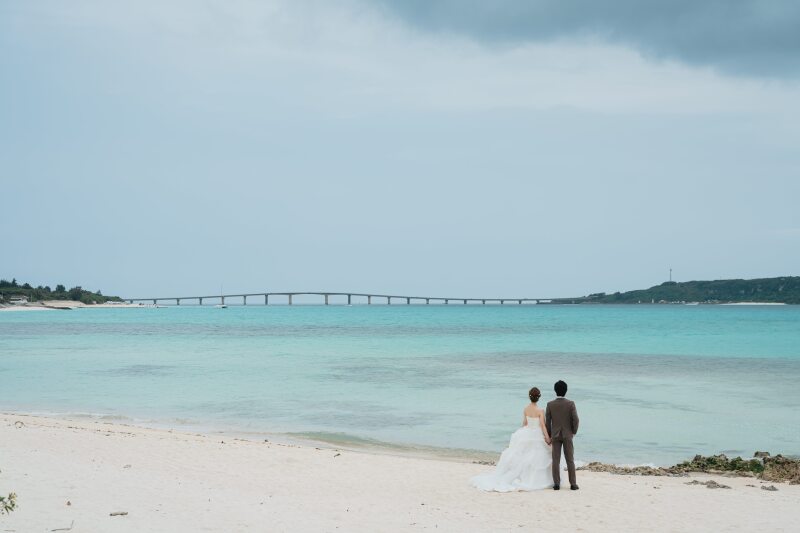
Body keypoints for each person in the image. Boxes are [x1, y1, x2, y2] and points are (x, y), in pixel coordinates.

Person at [470, 387, 553, 491]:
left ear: (529, 397)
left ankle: (523, 477)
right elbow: (543, 426)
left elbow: (524, 423)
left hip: (527, 432)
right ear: (539, 397)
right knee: (535, 457)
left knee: (524, 456)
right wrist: (548, 438)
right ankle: (534, 479)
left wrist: (521, 435)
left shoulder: (526, 409)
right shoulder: (540, 410)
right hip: (536, 434)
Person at [546, 380, 579, 490]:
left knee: (556, 460)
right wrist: (573, 431)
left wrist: (549, 435)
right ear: (566, 391)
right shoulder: (570, 404)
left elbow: (548, 422)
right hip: (567, 434)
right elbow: (576, 419)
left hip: (555, 435)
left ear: (555, 391)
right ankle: (573, 484)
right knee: (570, 459)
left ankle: (556, 484)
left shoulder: (550, 404)